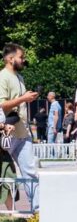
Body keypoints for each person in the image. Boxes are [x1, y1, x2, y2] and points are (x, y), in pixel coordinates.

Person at [0, 43, 40, 211]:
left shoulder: (19, 77)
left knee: (30, 171)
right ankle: (9, 213)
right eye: (21, 57)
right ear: (10, 59)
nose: (24, 60)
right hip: (7, 133)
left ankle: (37, 210)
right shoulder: (2, 77)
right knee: (5, 173)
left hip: (22, 132)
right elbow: (1, 105)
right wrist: (23, 98)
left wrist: (26, 98)